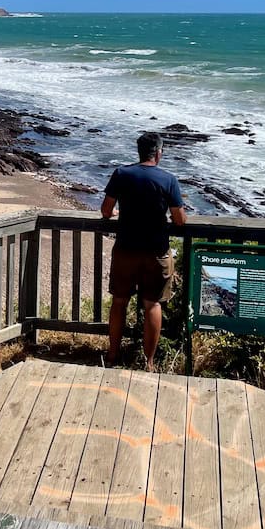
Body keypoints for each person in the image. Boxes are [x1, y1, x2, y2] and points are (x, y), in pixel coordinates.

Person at [100, 131, 186, 370]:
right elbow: (179, 219)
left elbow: (106, 210)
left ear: (139, 152)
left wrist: (117, 214)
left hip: (126, 248)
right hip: (156, 251)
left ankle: (112, 355)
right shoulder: (168, 179)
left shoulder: (122, 174)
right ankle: (148, 362)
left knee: (119, 302)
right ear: (159, 153)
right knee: (152, 304)